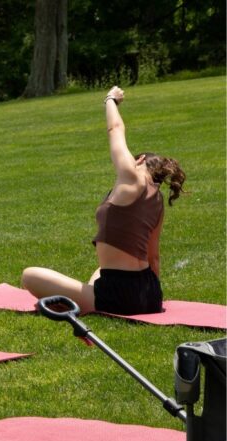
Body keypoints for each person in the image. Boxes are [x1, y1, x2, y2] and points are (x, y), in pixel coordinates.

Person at [21, 86, 186, 315]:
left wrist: (110, 99)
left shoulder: (131, 176)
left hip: (117, 296)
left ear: (139, 161)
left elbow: (115, 128)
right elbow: (153, 257)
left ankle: (83, 303)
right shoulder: (156, 201)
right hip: (149, 294)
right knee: (100, 270)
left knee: (29, 275)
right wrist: (154, 300)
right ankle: (84, 298)